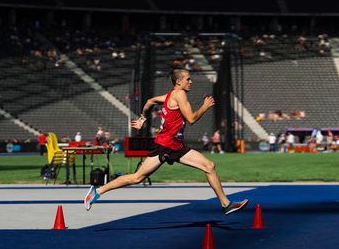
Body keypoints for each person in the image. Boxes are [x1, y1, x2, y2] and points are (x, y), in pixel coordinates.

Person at [84, 68, 248, 215]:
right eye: (188, 79)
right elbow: (191, 119)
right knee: (137, 178)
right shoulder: (179, 94)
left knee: (209, 166)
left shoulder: (170, 95)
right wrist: (205, 106)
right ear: (179, 81)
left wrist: (142, 119)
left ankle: (226, 204)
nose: (191, 82)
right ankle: (98, 191)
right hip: (165, 145)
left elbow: (149, 101)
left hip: (176, 146)